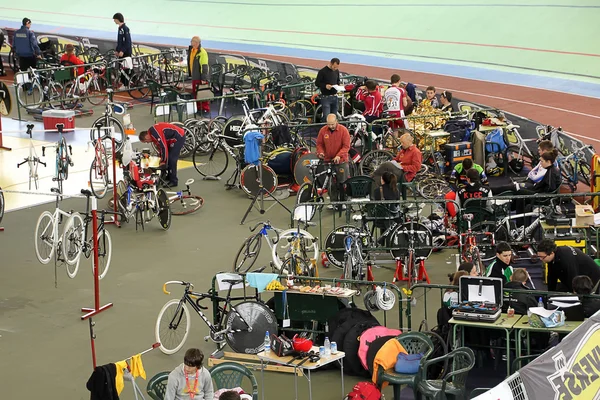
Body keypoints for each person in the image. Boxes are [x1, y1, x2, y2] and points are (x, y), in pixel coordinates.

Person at [315, 113, 350, 204]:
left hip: (341, 161)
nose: (330, 126)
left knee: (343, 182)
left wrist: (339, 155)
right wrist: (321, 152)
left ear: (336, 121)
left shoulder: (344, 130)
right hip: (328, 161)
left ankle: (344, 202)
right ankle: (333, 202)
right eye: (328, 124)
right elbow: (319, 144)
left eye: (332, 124)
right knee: (330, 183)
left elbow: (346, 146)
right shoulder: (323, 131)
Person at [513, 149, 561, 214]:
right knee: (520, 193)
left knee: (520, 193)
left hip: (543, 197)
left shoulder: (551, 173)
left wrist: (537, 191)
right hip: (541, 193)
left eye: (542, 161)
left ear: (548, 161)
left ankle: (517, 215)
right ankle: (519, 217)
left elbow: (550, 188)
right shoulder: (551, 170)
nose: (540, 163)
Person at [139, 122, 186, 187]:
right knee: (168, 157)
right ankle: (169, 175)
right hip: (172, 138)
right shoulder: (152, 134)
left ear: (146, 136)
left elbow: (164, 147)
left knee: (172, 159)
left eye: (146, 141)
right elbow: (160, 148)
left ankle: (174, 181)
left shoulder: (155, 134)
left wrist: (163, 161)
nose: (147, 142)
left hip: (178, 137)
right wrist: (161, 158)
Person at [187, 36, 210, 114]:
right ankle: (198, 108)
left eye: (193, 42)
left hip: (200, 77)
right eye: (191, 42)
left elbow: (204, 66)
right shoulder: (191, 50)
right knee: (195, 93)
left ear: (197, 43)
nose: (192, 43)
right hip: (194, 75)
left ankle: (205, 108)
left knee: (202, 93)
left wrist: (204, 78)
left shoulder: (202, 52)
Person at [113, 13, 132, 86]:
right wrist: (117, 50)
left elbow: (128, 42)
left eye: (114, 19)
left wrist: (122, 51)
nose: (114, 21)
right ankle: (124, 83)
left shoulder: (125, 29)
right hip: (121, 52)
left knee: (126, 69)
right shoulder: (120, 28)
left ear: (118, 19)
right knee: (121, 68)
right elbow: (120, 41)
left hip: (126, 52)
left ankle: (126, 84)